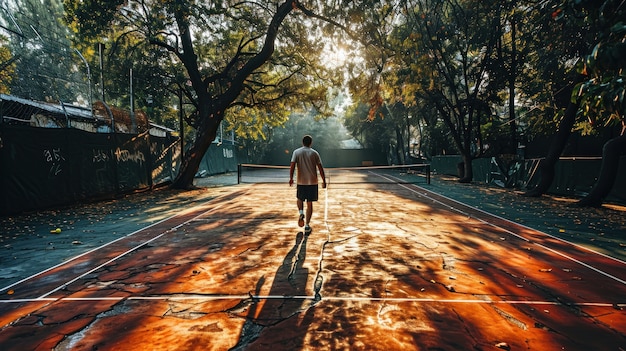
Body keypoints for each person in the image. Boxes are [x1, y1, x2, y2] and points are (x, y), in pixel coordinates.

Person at [289, 135, 326, 234]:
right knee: (310, 204)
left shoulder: (296, 152)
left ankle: (301, 213)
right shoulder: (314, 153)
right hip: (313, 182)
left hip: (301, 181)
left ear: (302, 142)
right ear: (311, 142)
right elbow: (320, 168)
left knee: (299, 199)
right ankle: (307, 225)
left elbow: (292, 165)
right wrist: (324, 180)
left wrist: (291, 178)